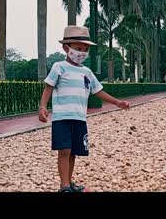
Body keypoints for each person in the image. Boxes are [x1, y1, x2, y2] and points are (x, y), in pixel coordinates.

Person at [38, 26, 130, 192]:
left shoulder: (87, 72)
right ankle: (64, 185)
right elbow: (48, 88)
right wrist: (43, 106)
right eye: (78, 48)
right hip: (62, 118)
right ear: (66, 48)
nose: (82, 52)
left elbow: (98, 91)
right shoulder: (59, 67)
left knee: (73, 151)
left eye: (85, 49)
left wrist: (117, 102)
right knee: (64, 150)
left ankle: (69, 181)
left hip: (80, 118)